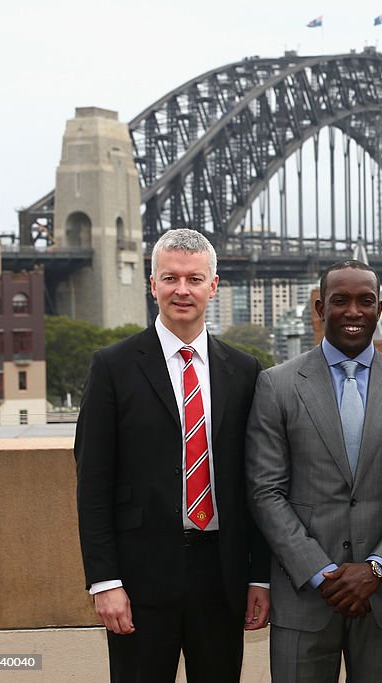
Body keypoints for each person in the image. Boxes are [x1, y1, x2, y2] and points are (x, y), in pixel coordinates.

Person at [74, 228, 270, 682]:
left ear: (213, 286)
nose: (182, 290)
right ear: (153, 284)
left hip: (221, 576)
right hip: (139, 578)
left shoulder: (245, 372)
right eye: (170, 278)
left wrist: (259, 577)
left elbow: (258, 484)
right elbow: (93, 484)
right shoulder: (112, 367)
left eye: (195, 279)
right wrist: (105, 582)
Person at [246, 260, 382, 682]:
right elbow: (265, 491)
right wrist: (321, 573)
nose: (353, 312)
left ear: (380, 309)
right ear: (320, 309)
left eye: (365, 302)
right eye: (340, 301)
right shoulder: (276, 385)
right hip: (305, 595)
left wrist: (376, 568)